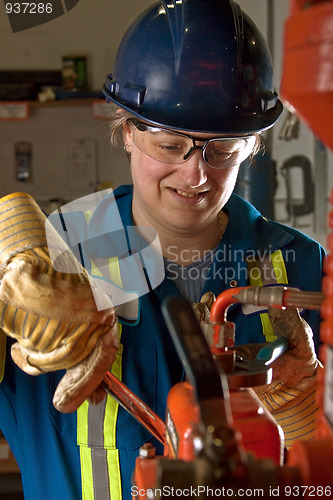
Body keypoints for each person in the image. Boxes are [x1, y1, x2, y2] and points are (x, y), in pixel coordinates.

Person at [0, 1, 325, 499]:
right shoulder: (55, 259)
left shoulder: (302, 266)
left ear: (253, 145)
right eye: (171, 145)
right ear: (126, 130)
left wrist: (307, 423)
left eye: (221, 149)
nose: (195, 175)